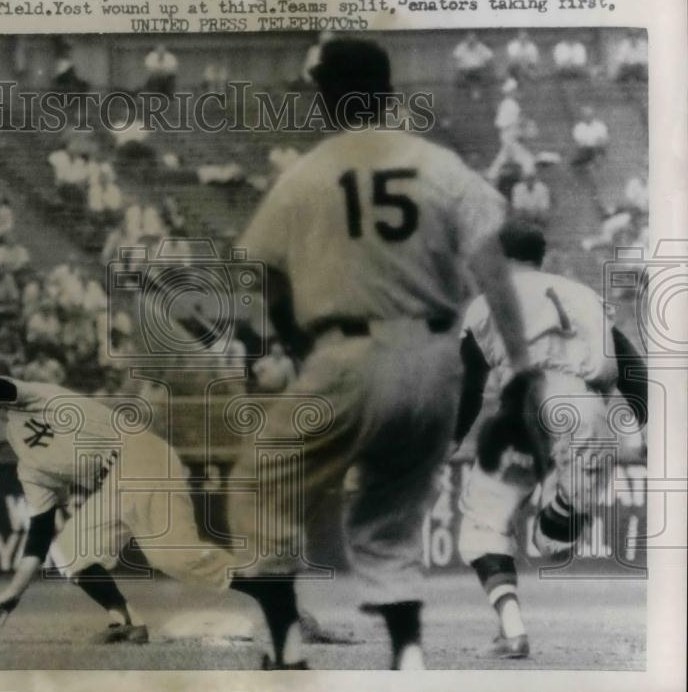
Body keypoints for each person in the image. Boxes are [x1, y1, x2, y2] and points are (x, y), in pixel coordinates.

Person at [228, 38, 530, 670]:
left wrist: (295, 344)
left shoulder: (307, 173)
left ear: (326, 98)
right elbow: (493, 269)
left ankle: (284, 642)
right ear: (388, 93)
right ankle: (408, 654)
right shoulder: (438, 164)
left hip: (347, 352)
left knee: (262, 485)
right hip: (432, 360)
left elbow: (260, 276)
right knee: (390, 518)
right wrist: (523, 369)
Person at [0, 336, 312, 658]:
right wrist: (12, 592)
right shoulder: (29, 467)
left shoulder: (21, 398)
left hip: (137, 455)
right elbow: (38, 537)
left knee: (178, 559)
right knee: (69, 551)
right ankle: (124, 619)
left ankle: (275, 597)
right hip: (115, 482)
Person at [454, 222, 646, 659]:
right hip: (587, 412)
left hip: (523, 406)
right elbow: (634, 372)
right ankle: (564, 509)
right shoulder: (581, 295)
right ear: (541, 257)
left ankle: (513, 630)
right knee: (551, 542)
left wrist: (450, 441)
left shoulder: (488, 302)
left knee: (483, 527)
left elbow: (468, 389)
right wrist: (639, 424)